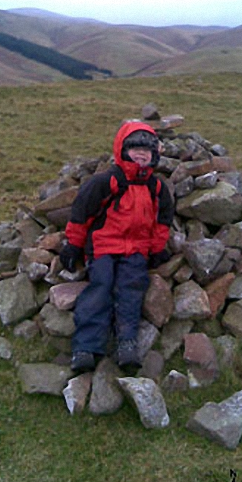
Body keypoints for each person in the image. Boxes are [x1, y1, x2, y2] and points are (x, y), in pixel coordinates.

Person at [60, 121, 174, 372]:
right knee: (100, 287)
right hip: (103, 247)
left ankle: (127, 344)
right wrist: (73, 245)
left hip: (136, 251)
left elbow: (162, 220)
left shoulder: (156, 187)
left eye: (148, 150)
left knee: (131, 291)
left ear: (155, 153)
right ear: (122, 149)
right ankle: (85, 348)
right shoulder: (108, 181)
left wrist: (156, 249)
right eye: (135, 148)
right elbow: (82, 214)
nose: (142, 154)